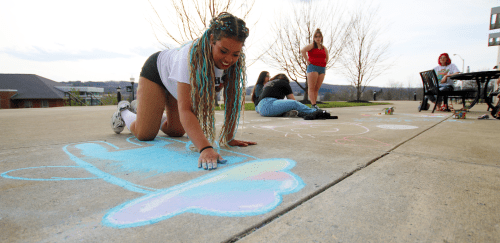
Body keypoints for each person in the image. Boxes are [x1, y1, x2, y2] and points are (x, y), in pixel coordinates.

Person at [110, 12, 256, 170]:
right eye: (223, 51)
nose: (228, 59)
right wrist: (206, 148)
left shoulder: (235, 64)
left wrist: (229, 137)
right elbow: (186, 109)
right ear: (212, 40)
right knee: (145, 134)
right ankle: (124, 110)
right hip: (157, 74)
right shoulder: (189, 58)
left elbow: (231, 100)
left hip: (176, 84)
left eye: (235, 54)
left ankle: (148, 109)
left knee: (176, 131)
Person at [255, 73, 336, 120]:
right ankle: (315, 111)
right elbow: (293, 101)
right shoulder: (284, 83)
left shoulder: (269, 84)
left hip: (260, 107)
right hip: (269, 105)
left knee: (284, 106)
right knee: (294, 104)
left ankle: (286, 113)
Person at [301, 28, 329, 110]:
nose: (318, 38)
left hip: (322, 68)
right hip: (313, 67)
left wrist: (324, 63)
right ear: (314, 38)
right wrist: (307, 60)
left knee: (317, 88)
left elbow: (327, 56)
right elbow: (303, 50)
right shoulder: (312, 45)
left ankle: (315, 104)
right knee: (311, 88)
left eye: (319, 36)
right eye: (316, 36)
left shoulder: (324, 48)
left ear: (321, 38)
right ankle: (313, 105)